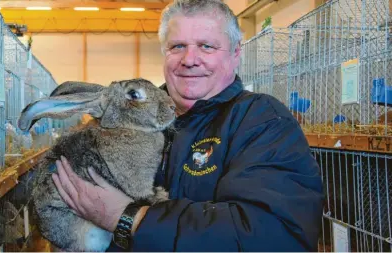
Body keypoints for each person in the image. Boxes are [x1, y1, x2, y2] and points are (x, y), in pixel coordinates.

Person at [51, 0, 324, 251]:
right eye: (177, 46)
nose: (190, 59)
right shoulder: (124, 119)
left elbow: (276, 237)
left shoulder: (262, 121)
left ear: (235, 53)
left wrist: (127, 218)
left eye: (207, 46)